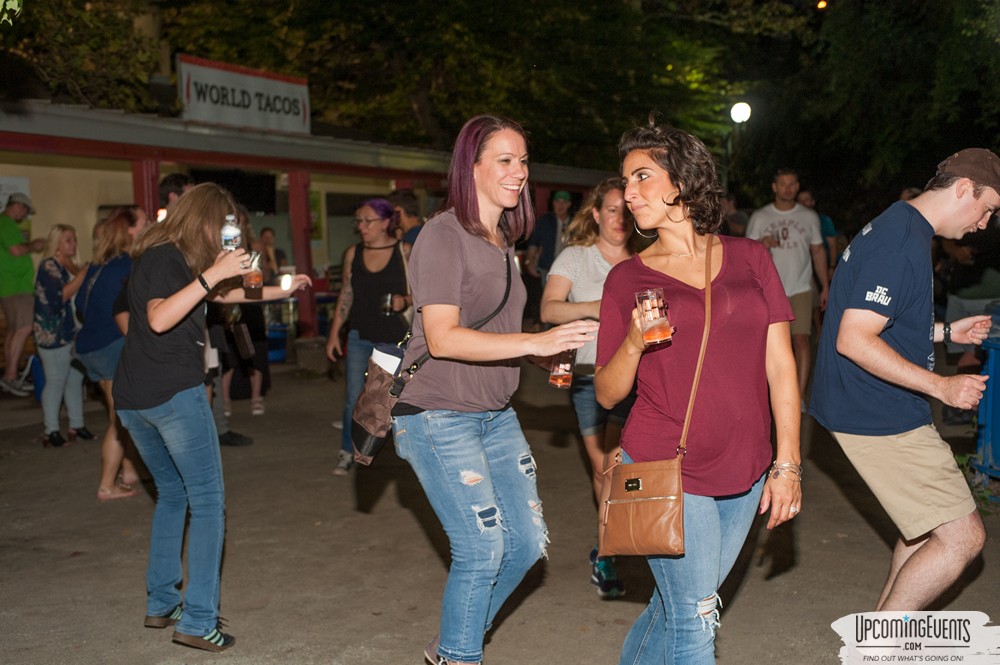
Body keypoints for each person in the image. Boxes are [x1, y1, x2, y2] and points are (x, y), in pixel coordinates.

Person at [390, 114, 598, 665]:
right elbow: (442, 337)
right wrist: (534, 342)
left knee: (526, 545)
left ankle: (450, 647)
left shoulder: (502, 240)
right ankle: (459, 657)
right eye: (505, 160)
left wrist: (541, 347)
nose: (519, 172)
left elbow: (496, 335)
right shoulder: (442, 234)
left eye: (524, 161)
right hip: (437, 414)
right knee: (481, 549)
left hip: (495, 412)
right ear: (471, 167)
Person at [594, 121, 802, 665]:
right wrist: (636, 342)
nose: (628, 193)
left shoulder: (751, 258)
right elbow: (609, 394)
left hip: (747, 463)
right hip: (669, 463)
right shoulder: (627, 279)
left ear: (683, 181)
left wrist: (788, 464)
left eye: (642, 176)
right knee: (695, 622)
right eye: (625, 181)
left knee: (677, 607)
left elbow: (781, 367)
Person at [113, 182, 310, 652]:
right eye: (225, 227)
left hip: (136, 399)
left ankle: (162, 602)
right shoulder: (165, 256)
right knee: (207, 503)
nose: (229, 237)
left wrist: (283, 288)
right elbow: (160, 318)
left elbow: (223, 299)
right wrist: (213, 273)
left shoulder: (168, 258)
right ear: (205, 221)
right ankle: (199, 620)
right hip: (171, 395)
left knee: (173, 494)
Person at [809, 148, 999, 611]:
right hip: (876, 410)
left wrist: (945, 331)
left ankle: (875, 639)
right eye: (989, 208)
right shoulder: (900, 242)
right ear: (962, 190)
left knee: (923, 528)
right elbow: (854, 339)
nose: (986, 223)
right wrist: (943, 386)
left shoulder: (900, 223)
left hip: (864, 402)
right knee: (962, 538)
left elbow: (881, 319)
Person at [539, 176, 635, 598]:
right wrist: (598, 307)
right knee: (605, 471)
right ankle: (607, 555)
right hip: (588, 381)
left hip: (641, 378)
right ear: (596, 213)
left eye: (626, 211)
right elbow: (548, 308)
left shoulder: (646, 258)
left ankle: (629, 542)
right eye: (612, 209)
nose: (619, 218)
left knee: (625, 471)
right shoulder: (576, 259)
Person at [325, 198, 411, 476]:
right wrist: (334, 333)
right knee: (354, 397)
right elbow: (346, 295)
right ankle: (348, 451)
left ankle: (406, 451)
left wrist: (405, 300)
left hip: (394, 340)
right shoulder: (353, 252)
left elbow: (425, 293)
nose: (361, 226)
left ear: (386, 222)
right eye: (358, 221)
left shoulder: (404, 251)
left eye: (367, 221)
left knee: (396, 399)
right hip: (360, 335)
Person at [75, 206, 148, 500]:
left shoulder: (97, 265)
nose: (149, 224)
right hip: (112, 345)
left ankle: (128, 470)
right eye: (144, 222)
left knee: (118, 412)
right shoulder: (128, 265)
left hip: (91, 346)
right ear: (131, 230)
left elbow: (81, 303)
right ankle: (106, 485)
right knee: (121, 418)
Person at [745, 169, 829, 409]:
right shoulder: (760, 217)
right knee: (769, 345)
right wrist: (761, 244)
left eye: (792, 184)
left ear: (797, 186)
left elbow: (818, 251)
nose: (788, 188)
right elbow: (746, 255)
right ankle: (768, 395)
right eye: (783, 184)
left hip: (801, 287)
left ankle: (798, 396)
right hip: (768, 290)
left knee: (801, 340)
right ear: (774, 187)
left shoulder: (809, 216)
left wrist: (825, 287)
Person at [32, 224, 93, 447]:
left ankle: (76, 425)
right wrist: (84, 273)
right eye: (68, 240)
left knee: (75, 380)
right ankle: (51, 430)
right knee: (56, 381)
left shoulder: (70, 264)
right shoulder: (48, 266)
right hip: (53, 335)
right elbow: (61, 296)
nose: (73, 244)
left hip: (71, 333)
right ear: (56, 242)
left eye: (74, 239)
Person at [1, 192, 47, 396]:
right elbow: (16, 250)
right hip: (17, 287)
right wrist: (34, 246)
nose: (26, 215)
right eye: (26, 210)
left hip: (8, 286)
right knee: (25, 327)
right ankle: (11, 376)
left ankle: (9, 376)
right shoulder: (7, 224)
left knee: (13, 331)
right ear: (17, 206)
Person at [523, 190, 573, 330]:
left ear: (569, 204)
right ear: (553, 203)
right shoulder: (545, 221)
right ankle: (545, 327)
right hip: (547, 267)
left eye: (564, 202)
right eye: (557, 201)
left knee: (568, 300)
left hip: (570, 269)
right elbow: (533, 243)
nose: (560, 205)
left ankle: (563, 329)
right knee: (547, 298)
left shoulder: (574, 222)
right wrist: (530, 262)